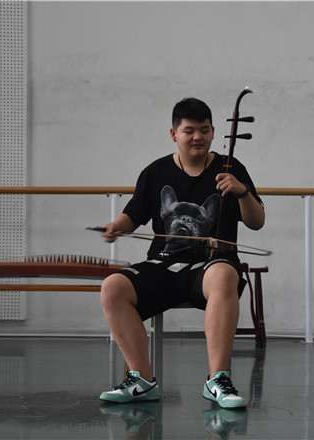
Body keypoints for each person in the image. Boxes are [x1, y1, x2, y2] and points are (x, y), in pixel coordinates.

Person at [99, 97, 265, 409]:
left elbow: (257, 222)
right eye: (189, 131)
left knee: (224, 274)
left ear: (214, 132)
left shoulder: (231, 168)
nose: (197, 137)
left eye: (204, 130)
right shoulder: (156, 171)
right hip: (163, 264)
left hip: (209, 266)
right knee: (112, 287)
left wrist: (241, 191)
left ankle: (218, 379)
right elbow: (133, 215)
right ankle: (141, 380)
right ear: (174, 134)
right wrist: (116, 226)